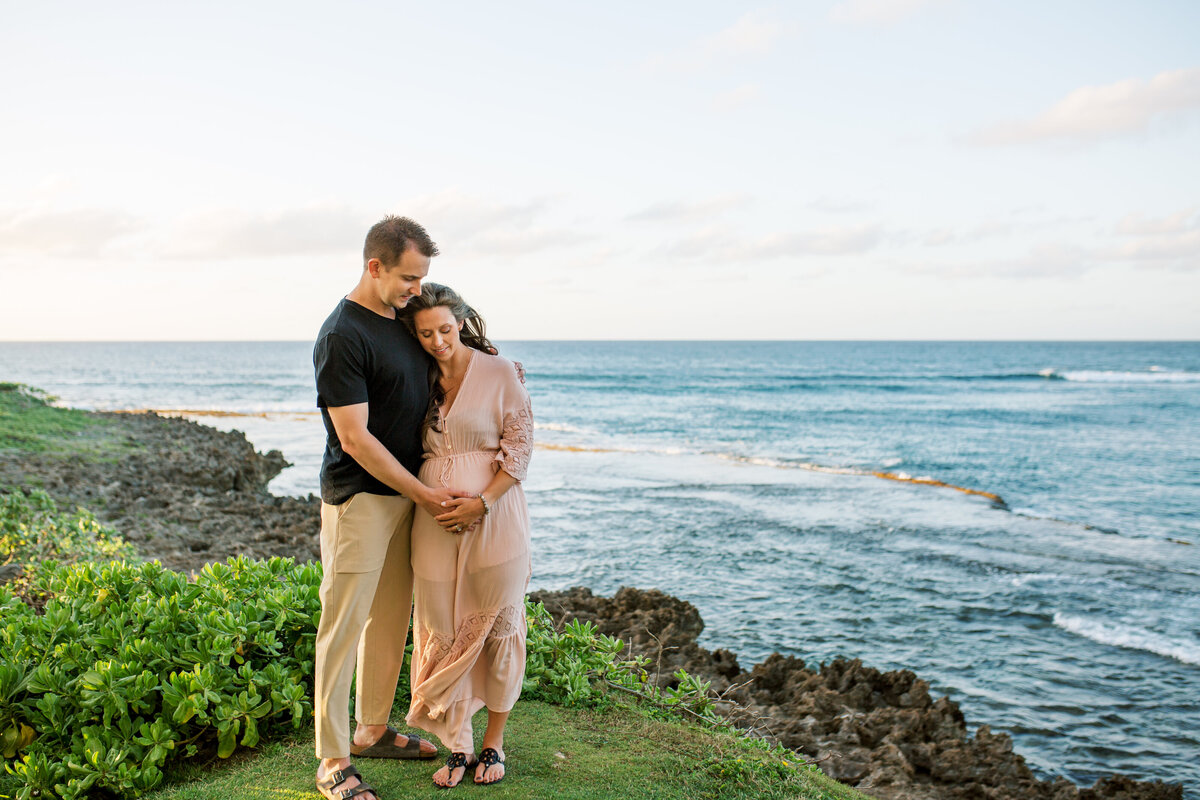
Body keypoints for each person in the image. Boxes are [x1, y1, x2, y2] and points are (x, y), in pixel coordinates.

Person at [313, 216, 466, 800]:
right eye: (408, 277)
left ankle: (372, 729)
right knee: (342, 627)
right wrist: (425, 494)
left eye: (423, 278)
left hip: (408, 494)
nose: (417, 289)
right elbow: (354, 437)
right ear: (374, 266)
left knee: (391, 620)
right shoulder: (341, 335)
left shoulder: (405, 316)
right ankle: (332, 760)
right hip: (361, 498)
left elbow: (452, 339)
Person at [400, 283, 533, 788]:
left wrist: (480, 502)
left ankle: (494, 745)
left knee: (498, 625)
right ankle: (458, 746)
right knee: (440, 625)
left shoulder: (500, 372)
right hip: (433, 523)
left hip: (496, 518)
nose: (437, 341)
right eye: (425, 332)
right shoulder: (418, 377)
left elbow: (519, 449)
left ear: (462, 322)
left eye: (445, 329)